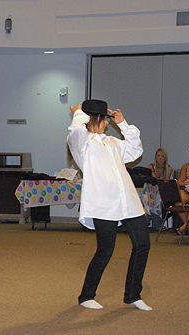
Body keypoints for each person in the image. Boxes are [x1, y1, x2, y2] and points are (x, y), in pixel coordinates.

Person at [67, 99, 152, 311]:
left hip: (128, 201)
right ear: (94, 118)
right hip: (103, 203)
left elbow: (135, 150)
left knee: (142, 244)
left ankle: (133, 295)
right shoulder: (82, 143)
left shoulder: (112, 142)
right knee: (105, 250)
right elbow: (75, 131)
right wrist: (79, 113)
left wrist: (123, 124)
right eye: (105, 119)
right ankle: (86, 296)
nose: (107, 123)